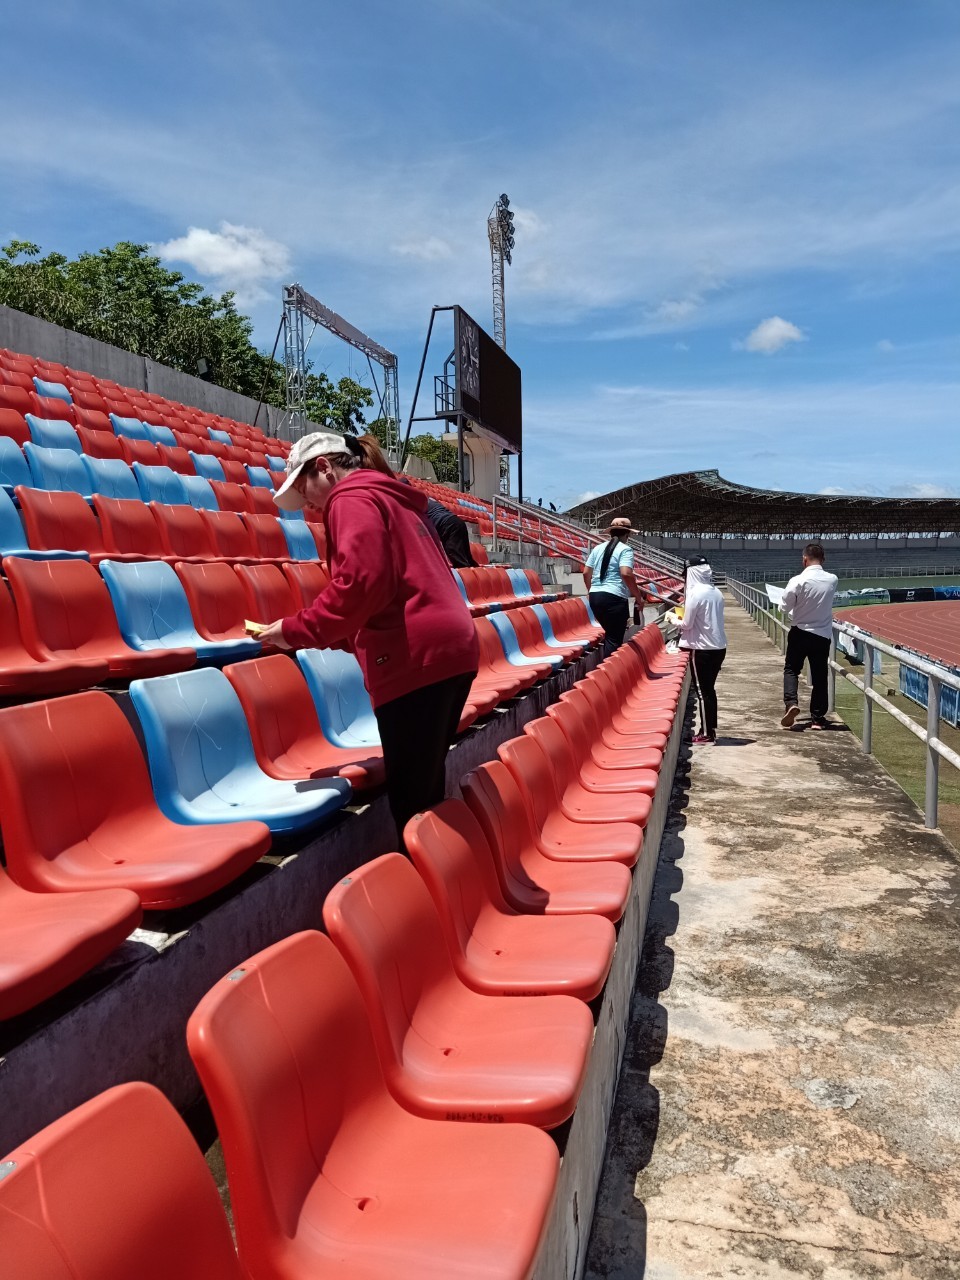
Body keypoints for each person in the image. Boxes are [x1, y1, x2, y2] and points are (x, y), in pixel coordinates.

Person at [258, 431, 480, 845]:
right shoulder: (392, 497)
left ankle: (436, 884)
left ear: (323, 467)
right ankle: (449, 877)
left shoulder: (350, 498)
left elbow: (361, 585)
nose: (306, 505)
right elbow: (388, 589)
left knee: (414, 808)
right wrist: (335, 635)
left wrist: (295, 631)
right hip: (450, 647)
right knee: (425, 791)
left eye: (303, 489)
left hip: (414, 656)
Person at [356, 434, 477, 569]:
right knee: (468, 564)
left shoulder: (397, 492)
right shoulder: (407, 492)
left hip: (447, 526)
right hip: (455, 523)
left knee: (462, 566)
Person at [781, 542, 838, 730]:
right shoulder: (832, 580)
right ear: (823, 559)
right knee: (820, 676)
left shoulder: (797, 580)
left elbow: (785, 606)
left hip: (799, 632)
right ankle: (817, 719)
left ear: (804, 560)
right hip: (822, 635)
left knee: (792, 670)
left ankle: (791, 703)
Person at [677, 556, 727, 744]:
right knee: (709, 690)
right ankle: (709, 729)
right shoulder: (717, 592)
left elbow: (687, 624)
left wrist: (674, 620)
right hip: (718, 647)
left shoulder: (695, 594)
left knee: (702, 691)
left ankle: (706, 733)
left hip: (702, 649)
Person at [582, 517, 648, 657]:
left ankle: (608, 667)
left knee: (610, 635)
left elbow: (586, 572)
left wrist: (590, 591)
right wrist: (638, 597)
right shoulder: (625, 549)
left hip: (595, 596)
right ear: (627, 534)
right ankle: (608, 669)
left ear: (611, 533)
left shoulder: (598, 548)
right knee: (613, 639)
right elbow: (626, 573)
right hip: (614, 597)